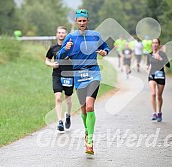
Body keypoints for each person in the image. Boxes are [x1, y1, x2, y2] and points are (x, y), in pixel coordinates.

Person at [57, 9, 109, 155]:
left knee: (90, 106)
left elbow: (105, 47)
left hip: (93, 72)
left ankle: (90, 142)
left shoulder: (95, 35)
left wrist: (104, 52)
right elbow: (60, 56)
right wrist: (65, 50)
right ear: (76, 21)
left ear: (88, 21)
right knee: (84, 108)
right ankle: (87, 131)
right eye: (79, 21)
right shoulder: (70, 37)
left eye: (84, 21)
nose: (82, 23)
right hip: (79, 74)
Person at [45, 26, 73, 133]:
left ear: (66, 35)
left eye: (63, 33)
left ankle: (68, 115)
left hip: (69, 75)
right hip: (57, 75)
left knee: (68, 99)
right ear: (56, 35)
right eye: (59, 33)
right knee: (58, 97)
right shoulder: (53, 48)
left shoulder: (71, 47)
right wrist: (52, 64)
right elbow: (46, 60)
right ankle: (60, 122)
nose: (61, 34)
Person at [146, 38, 170, 122]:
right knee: (153, 94)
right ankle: (154, 113)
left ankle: (159, 112)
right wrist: (147, 66)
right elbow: (148, 64)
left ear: (159, 45)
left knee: (159, 96)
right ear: (152, 45)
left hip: (160, 76)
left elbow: (168, 65)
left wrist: (160, 59)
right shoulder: (149, 54)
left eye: (156, 43)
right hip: (152, 75)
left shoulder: (162, 54)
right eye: (153, 43)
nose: (155, 44)